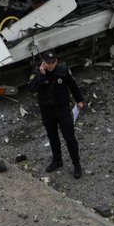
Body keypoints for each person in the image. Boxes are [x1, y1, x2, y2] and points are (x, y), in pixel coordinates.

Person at [28, 51, 84, 179]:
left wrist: (79, 100)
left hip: (62, 109)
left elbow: (72, 85)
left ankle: (76, 164)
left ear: (56, 62)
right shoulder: (37, 72)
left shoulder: (63, 70)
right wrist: (41, 75)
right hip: (47, 111)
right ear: (44, 63)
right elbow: (32, 88)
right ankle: (57, 160)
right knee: (52, 137)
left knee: (69, 138)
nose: (51, 65)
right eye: (48, 63)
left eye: (53, 63)